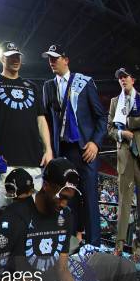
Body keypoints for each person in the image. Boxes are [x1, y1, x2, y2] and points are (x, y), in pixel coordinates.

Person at [42, 44, 106, 246]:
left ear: (66, 59)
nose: (51, 61)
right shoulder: (48, 86)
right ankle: (70, 243)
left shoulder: (84, 82)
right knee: (67, 199)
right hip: (63, 152)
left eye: (55, 58)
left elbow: (101, 117)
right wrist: (48, 149)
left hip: (85, 150)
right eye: (49, 58)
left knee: (89, 198)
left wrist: (95, 143)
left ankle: (94, 245)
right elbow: (46, 121)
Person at [0, 41, 52, 208]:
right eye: (11, 57)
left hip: (32, 158)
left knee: (34, 210)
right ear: (1, 59)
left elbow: (41, 120)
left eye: (17, 56)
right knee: (1, 209)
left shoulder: (32, 87)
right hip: (4, 159)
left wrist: (48, 149)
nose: (15, 60)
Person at [107, 67, 140, 255]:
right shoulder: (114, 102)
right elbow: (110, 128)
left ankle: (137, 250)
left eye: (125, 76)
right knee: (123, 204)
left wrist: (127, 122)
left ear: (133, 80)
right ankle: (119, 246)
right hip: (125, 156)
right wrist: (121, 133)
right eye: (120, 77)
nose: (122, 79)